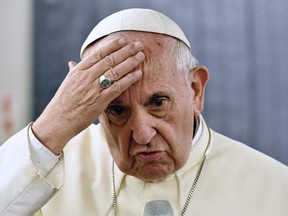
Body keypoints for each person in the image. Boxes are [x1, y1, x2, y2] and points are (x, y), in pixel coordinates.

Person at [0, 8, 287, 216]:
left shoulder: (274, 187)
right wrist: (52, 125)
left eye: (158, 103)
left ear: (195, 90)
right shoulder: (45, 176)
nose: (142, 133)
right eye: (117, 109)